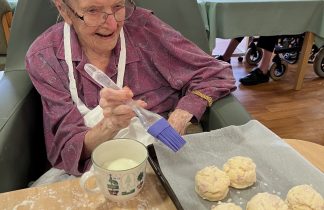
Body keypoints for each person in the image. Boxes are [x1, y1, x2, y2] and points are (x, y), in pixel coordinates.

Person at [25, 0, 236, 178]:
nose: (111, 24)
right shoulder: (45, 57)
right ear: (64, 10)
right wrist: (110, 125)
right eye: (93, 11)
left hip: (164, 152)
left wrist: (180, 115)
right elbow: (66, 150)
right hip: (96, 172)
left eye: (118, 6)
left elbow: (216, 72)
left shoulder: (144, 29)